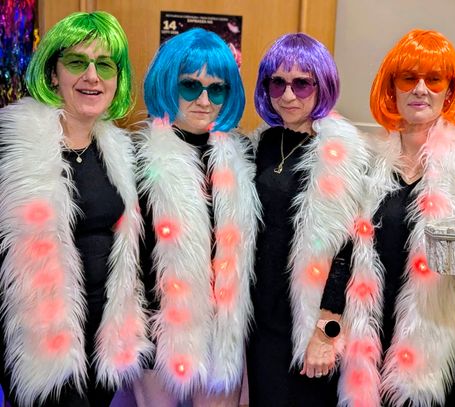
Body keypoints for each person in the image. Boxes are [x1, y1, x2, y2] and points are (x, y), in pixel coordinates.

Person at [338, 29, 455, 407]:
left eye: (434, 79)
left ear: (450, 90)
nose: (421, 89)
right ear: (392, 87)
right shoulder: (366, 161)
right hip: (371, 338)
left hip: (445, 346)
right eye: (409, 78)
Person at [0, 11, 152, 407]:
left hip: (103, 338)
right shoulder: (13, 147)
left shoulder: (121, 151)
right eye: (76, 62)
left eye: (105, 65)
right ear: (53, 74)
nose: (92, 76)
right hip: (39, 340)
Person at [135, 28, 260, 405]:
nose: (204, 100)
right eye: (190, 86)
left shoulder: (242, 158)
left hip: (223, 336)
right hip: (158, 334)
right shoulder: (137, 157)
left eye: (216, 89)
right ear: (167, 84)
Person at [247, 33, 371, 406]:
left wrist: (326, 332)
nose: (288, 95)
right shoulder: (259, 145)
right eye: (278, 83)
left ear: (322, 86)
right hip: (261, 325)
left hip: (311, 326)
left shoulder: (339, 153)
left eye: (302, 84)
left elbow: (348, 252)